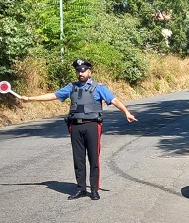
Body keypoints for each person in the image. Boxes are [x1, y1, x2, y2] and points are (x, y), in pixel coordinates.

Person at [21, 59, 137, 200]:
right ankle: (81, 189)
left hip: (92, 125)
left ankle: (94, 189)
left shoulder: (98, 87)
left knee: (94, 158)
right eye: (78, 71)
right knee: (78, 159)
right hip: (75, 126)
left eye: (83, 70)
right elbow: (53, 95)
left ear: (89, 71)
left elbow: (114, 100)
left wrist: (126, 112)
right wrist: (29, 98)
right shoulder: (71, 87)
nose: (80, 73)